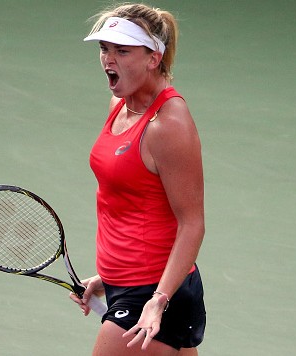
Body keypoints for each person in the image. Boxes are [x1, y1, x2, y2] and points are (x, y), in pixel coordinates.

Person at [69, 3, 206, 356]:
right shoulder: (120, 105)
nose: (108, 60)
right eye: (104, 49)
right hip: (126, 284)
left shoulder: (167, 126)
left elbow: (192, 223)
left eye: (122, 51)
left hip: (155, 292)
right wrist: (107, 279)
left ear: (153, 58)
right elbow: (128, 201)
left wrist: (159, 300)